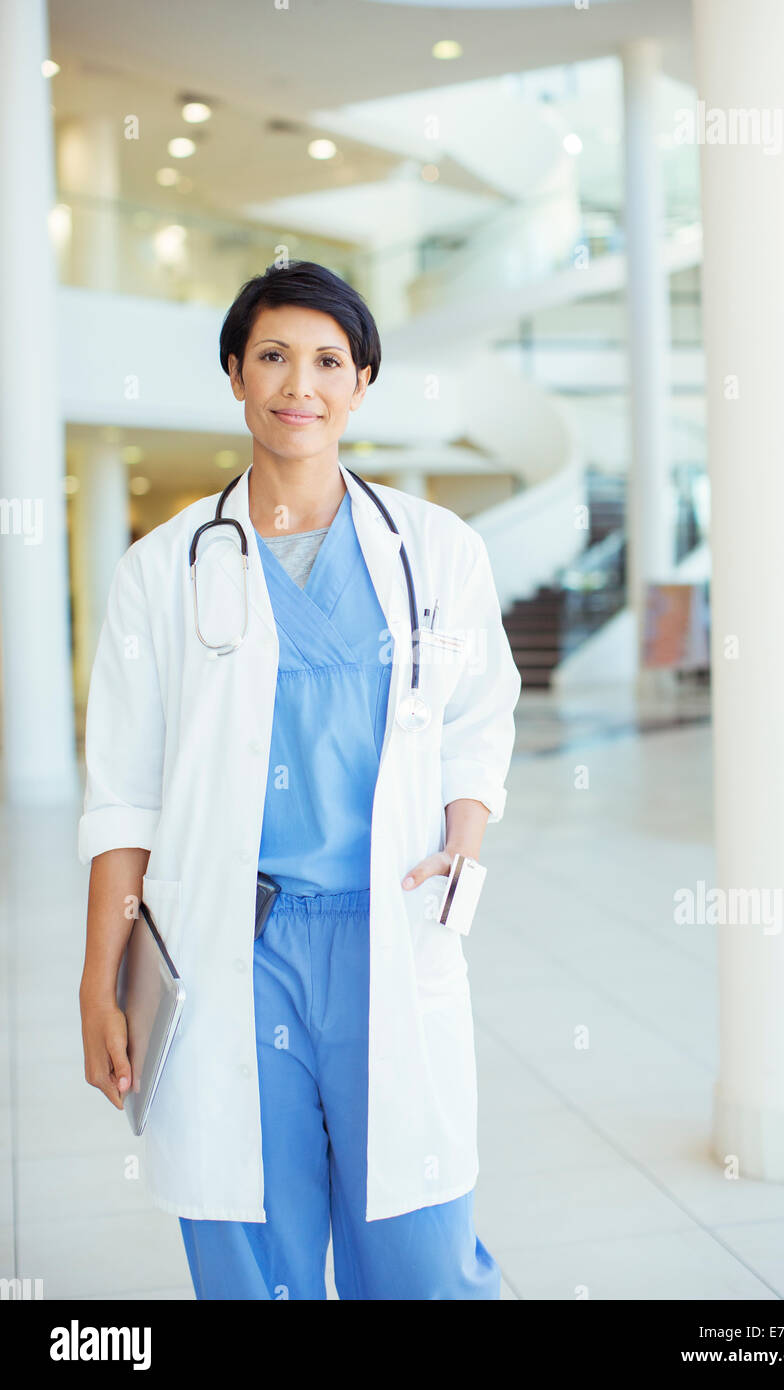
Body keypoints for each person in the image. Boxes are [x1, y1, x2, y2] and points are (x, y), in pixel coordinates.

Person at [78, 260, 521, 1300]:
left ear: (360, 381)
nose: (298, 383)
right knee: (251, 1250)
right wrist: (97, 984)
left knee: (419, 1250)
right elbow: (123, 797)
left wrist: (464, 830)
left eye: (327, 359)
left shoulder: (436, 552)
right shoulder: (161, 569)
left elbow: (476, 713)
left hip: (387, 932)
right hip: (234, 943)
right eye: (272, 355)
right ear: (235, 373)